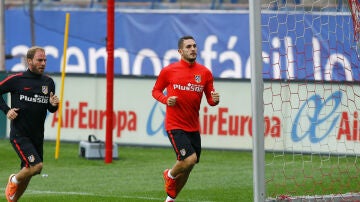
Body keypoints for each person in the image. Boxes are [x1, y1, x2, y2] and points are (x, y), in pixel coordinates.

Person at [152, 35, 220, 202]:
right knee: (189, 159)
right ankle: (169, 174)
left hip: (193, 126)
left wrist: (215, 100)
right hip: (175, 124)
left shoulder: (205, 73)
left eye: (195, 46)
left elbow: (211, 100)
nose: (193, 49)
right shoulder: (169, 71)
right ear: (180, 51)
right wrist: (166, 100)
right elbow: (156, 91)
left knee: (189, 167)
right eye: (189, 47)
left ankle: (170, 199)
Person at [0, 46, 59, 202]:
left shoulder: (48, 82)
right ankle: (13, 180)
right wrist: (7, 110)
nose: (43, 63)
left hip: (37, 135)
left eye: (45, 60)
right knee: (36, 166)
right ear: (29, 61)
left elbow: (51, 109)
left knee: (30, 171)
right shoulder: (17, 79)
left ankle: (12, 200)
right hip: (20, 134)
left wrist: (54, 104)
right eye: (40, 60)